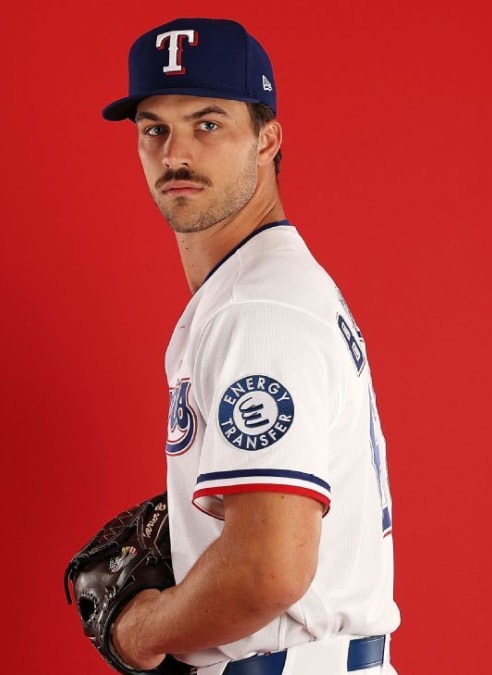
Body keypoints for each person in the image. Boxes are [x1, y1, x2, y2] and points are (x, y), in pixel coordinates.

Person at [101, 18, 400, 675]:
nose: (176, 152)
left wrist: (143, 630)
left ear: (267, 140)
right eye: (155, 128)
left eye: (207, 123)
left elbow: (268, 567)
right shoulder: (263, 287)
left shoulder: (256, 310)